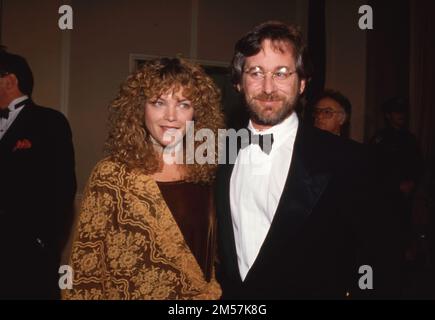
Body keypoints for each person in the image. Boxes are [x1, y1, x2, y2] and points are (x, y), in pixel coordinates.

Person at [215, 21, 400, 299]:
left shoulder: (350, 160)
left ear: (302, 83)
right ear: (239, 83)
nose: (268, 87)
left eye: (281, 73)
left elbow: (380, 253)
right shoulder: (219, 154)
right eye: (255, 72)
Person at [63, 58, 223, 300]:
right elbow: (87, 264)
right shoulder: (112, 175)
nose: (171, 116)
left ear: (196, 113)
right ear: (140, 108)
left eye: (183, 104)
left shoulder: (208, 172)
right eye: (159, 102)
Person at [0, 48, 77, 299]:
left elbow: (64, 186)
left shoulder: (49, 121)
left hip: (28, 255)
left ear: (9, 80)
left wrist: (42, 240)